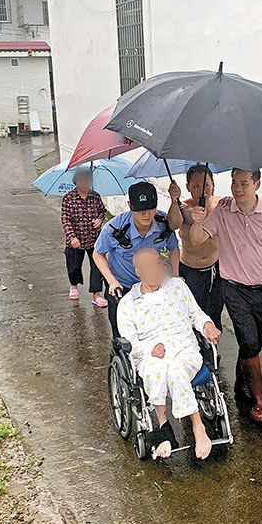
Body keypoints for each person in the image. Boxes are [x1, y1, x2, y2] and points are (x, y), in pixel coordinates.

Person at [189, 168, 262, 423]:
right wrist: (198, 220)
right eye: (234, 183)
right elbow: (196, 240)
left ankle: (241, 382)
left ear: (257, 185)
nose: (237, 189)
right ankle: (260, 401)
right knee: (248, 340)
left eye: (244, 184)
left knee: (255, 343)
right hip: (233, 288)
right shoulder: (223, 211)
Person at [116, 248, 222, 459]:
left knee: (176, 371)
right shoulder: (128, 304)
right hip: (150, 356)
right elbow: (129, 341)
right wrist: (149, 349)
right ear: (138, 271)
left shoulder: (178, 287)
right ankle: (164, 428)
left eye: (157, 263)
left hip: (184, 349)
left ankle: (198, 426)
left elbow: (196, 314)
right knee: (156, 370)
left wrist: (207, 324)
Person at [94, 181, 180, 337]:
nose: (146, 215)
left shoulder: (163, 223)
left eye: (150, 209)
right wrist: (112, 281)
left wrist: (174, 276)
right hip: (122, 288)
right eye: (140, 211)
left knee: (153, 332)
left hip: (152, 287)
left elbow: (173, 249)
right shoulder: (115, 228)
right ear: (130, 206)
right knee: (122, 335)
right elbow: (98, 254)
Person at [166, 165, 223, 329]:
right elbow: (173, 224)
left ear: (213, 185)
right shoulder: (183, 208)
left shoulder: (218, 206)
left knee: (214, 312)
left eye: (206, 185)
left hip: (214, 269)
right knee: (191, 313)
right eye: (196, 186)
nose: (202, 190)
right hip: (190, 270)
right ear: (188, 187)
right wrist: (174, 199)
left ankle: (213, 344)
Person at [60, 168, 108, 307]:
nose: (85, 182)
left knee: (97, 266)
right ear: (76, 181)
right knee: (73, 265)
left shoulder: (95, 196)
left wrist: (99, 220)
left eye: (88, 179)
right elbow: (65, 219)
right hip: (76, 239)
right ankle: (74, 286)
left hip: (93, 238)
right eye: (82, 179)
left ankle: (96, 295)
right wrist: (72, 237)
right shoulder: (69, 198)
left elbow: (102, 211)